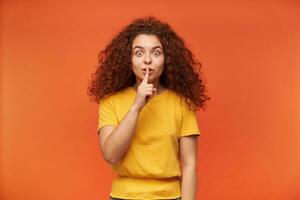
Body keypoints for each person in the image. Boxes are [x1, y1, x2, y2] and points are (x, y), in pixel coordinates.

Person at [88, 16, 210, 200]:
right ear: (128, 60)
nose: (147, 60)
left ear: (167, 58)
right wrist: (137, 106)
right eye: (138, 53)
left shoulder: (181, 104)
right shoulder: (111, 102)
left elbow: (189, 165)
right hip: (124, 196)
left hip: (170, 196)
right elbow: (111, 155)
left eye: (156, 52)